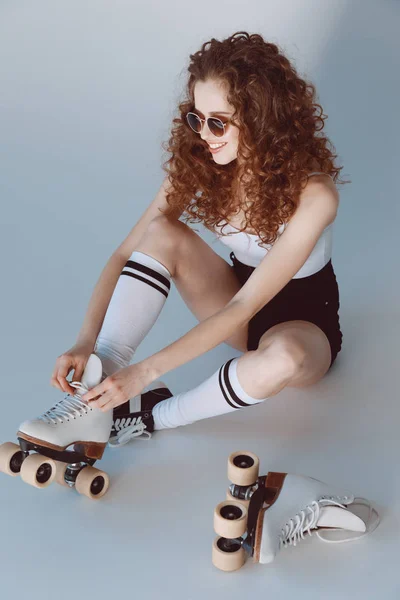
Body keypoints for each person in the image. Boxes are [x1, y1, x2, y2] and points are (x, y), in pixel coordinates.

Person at [50, 31, 346, 436]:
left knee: (283, 358)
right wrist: (86, 341)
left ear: (260, 118)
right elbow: (125, 254)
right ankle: (95, 390)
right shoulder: (203, 162)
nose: (203, 134)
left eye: (217, 122)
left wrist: (147, 374)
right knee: (160, 231)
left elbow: (243, 306)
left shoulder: (316, 194)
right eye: (196, 118)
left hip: (302, 325)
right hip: (234, 305)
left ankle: (153, 416)